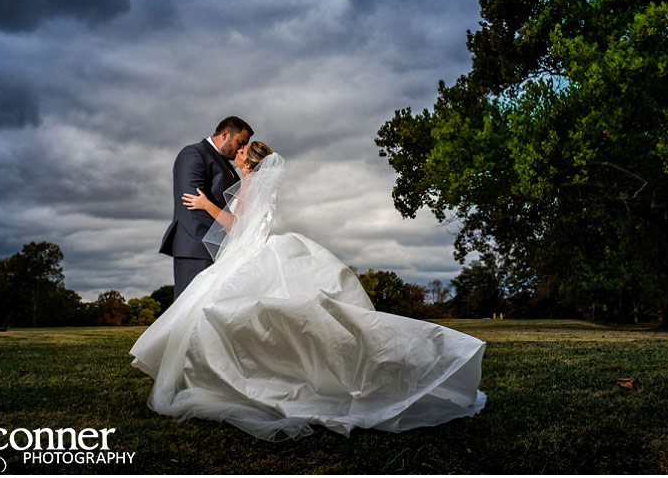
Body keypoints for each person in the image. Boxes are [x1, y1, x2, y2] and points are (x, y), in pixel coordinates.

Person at [130, 144, 486, 441]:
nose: (235, 154)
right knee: (229, 311)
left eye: (240, 151)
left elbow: (237, 225)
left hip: (252, 252)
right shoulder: (253, 182)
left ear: (249, 161)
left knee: (221, 311)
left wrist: (207, 205)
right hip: (255, 250)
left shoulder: (251, 184)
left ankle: (240, 374)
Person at [159, 117, 252, 300]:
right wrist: (228, 231)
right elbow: (192, 204)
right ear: (225, 134)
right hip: (197, 247)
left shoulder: (229, 166)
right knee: (190, 313)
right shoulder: (194, 154)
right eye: (239, 142)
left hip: (221, 249)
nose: (241, 149)